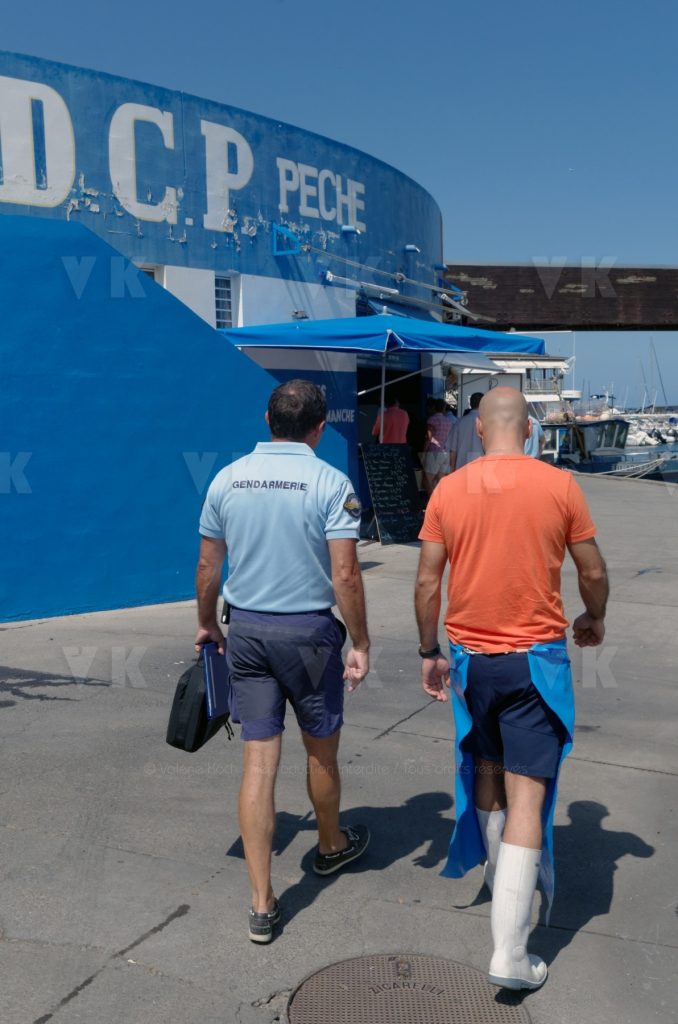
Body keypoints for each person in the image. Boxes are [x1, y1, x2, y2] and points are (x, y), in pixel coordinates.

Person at [414, 387, 608, 991]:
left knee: (488, 777)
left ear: (479, 426)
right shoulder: (559, 486)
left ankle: (503, 888)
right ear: (528, 428)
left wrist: (429, 651)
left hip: (473, 664)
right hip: (533, 665)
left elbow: (427, 581)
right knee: (527, 796)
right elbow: (593, 570)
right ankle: (510, 951)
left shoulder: (448, 488)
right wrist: (593, 617)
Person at [195, 380, 371, 944]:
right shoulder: (330, 482)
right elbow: (344, 575)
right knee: (321, 749)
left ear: (267, 418)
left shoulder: (227, 477)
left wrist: (205, 625)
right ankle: (329, 844)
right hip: (310, 636)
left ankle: (261, 902)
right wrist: (361, 641)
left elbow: (208, 566)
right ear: (319, 428)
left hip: (245, 631)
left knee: (258, 763)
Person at [446, 391, 484, 470]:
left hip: (462, 466)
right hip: (482, 466)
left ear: (470, 404)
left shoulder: (459, 423)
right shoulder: (488, 422)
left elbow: (453, 449)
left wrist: (452, 468)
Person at [422, 398, 452, 496]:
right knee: (440, 482)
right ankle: (441, 504)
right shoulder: (448, 421)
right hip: (445, 453)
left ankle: (433, 503)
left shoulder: (432, 419)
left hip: (434, 452)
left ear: (434, 407)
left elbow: (429, 438)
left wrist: (423, 452)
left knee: (426, 481)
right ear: (444, 408)